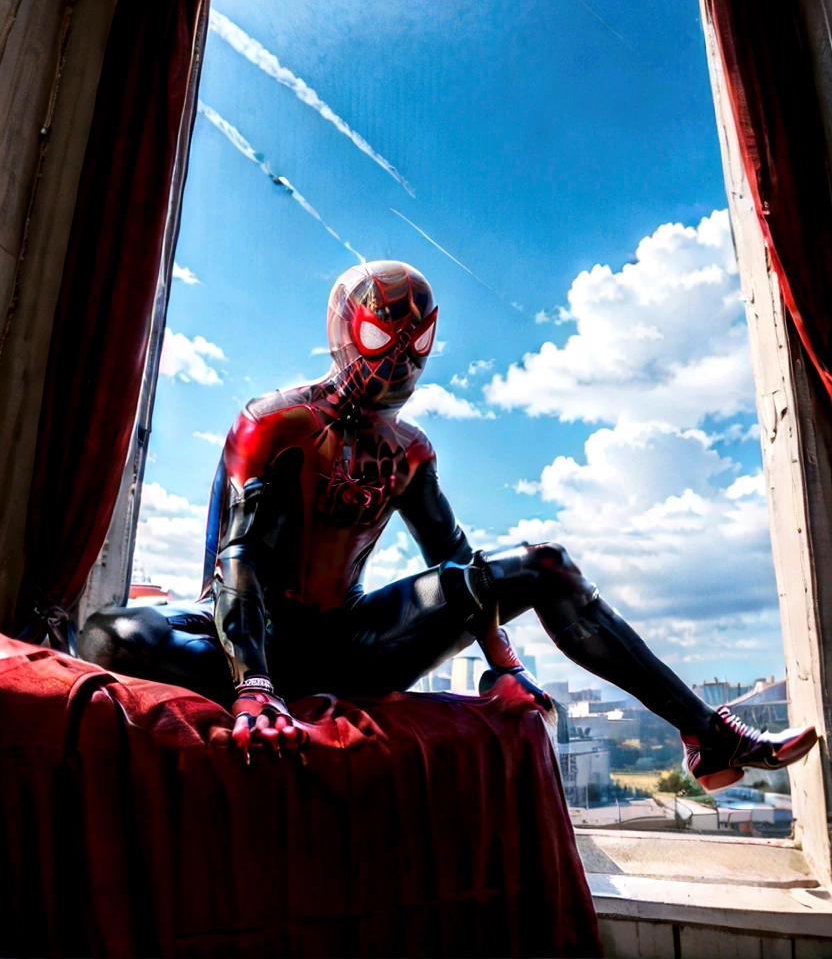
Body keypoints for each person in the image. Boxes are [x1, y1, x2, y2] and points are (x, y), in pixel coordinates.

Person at [81, 261, 817, 788]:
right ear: (346, 333)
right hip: (242, 642)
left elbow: (459, 563)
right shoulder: (274, 424)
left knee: (544, 563)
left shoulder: (408, 451)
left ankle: (706, 734)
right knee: (112, 635)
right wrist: (254, 684)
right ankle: (253, 678)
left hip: (350, 645)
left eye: (419, 342)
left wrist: (505, 666)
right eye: (381, 338)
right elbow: (236, 563)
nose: (401, 360)